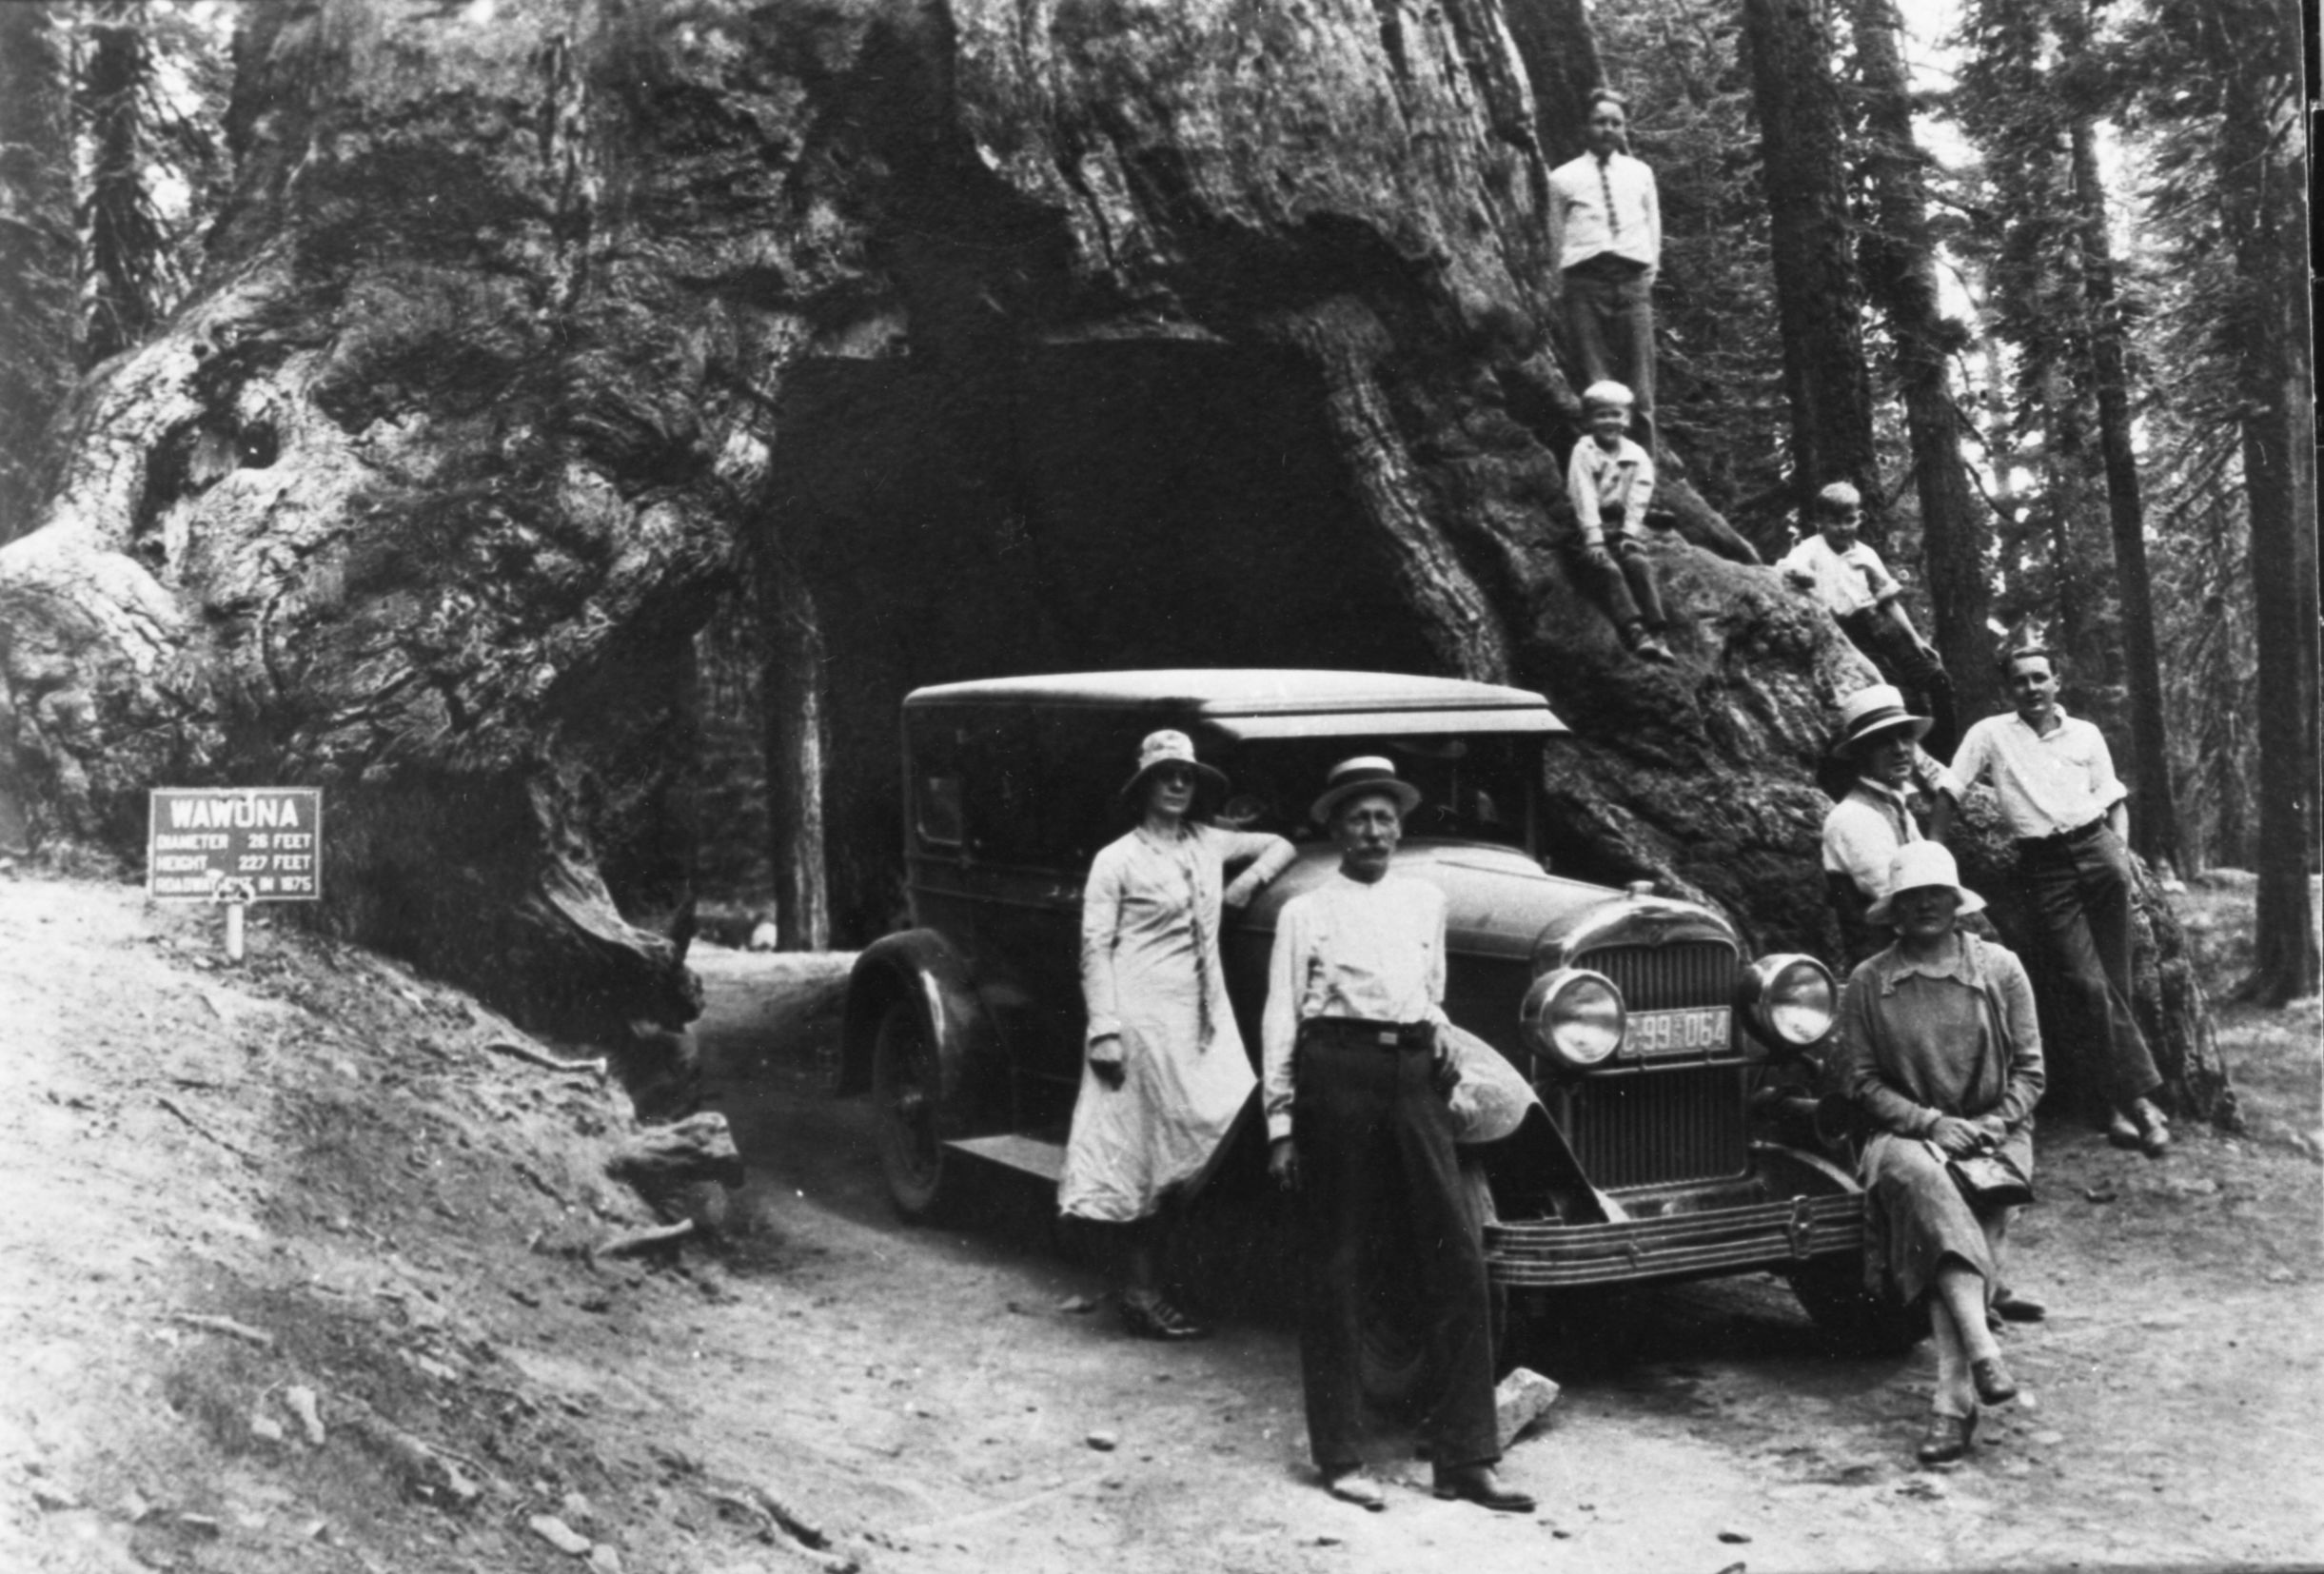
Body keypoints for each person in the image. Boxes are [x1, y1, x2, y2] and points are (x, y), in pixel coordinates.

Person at [1260, 757, 1534, 1515]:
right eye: (1358, 819)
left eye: (1384, 817)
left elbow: (1430, 992)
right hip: (1336, 1076)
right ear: (1335, 830)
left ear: (1400, 825)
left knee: (1456, 1257)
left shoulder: (1424, 900)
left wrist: (1440, 1031)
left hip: (1413, 1077)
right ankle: (1341, 1456)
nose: (1373, 831)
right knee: (1338, 1264)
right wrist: (1281, 1125)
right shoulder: (1305, 912)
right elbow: (1283, 1019)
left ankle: (1466, 1459)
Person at [1061, 729, 1295, 1339]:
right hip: (1142, 1018)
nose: (1176, 785)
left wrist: (1245, 884)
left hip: (1204, 1023)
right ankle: (1140, 1291)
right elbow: (1094, 950)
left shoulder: (1210, 843)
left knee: (1215, 1138)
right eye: (1165, 775)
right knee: (1143, 1154)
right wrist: (1105, 1031)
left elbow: (1279, 845)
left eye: (1186, 776)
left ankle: (1188, 1274)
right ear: (1143, 787)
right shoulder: (1117, 860)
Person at [1834, 842, 2044, 1466]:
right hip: (1904, 1136)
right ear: (1894, 911)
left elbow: (2031, 1073)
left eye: (1936, 894)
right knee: (1927, 1183)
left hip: (1996, 1138)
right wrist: (1930, 1123)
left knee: (1948, 1226)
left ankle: (1951, 1404)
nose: (1926, 905)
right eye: (1911, 897)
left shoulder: (2001, 969)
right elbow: (1862, 1082)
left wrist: (1989, 1124)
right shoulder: (1869, 983)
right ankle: (1983, 1354)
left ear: (1956, 904)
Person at [1951, 647, 2170, 1157]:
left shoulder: (2086, 734)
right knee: (2087, 983)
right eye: (2020, 681)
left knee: (2115, 982)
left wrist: (2118, 855)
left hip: (2098, 854)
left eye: (2039, 678)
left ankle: (2112, 1103)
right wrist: (1930, 849)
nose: (2031, 688)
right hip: (2044, 865)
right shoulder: (1991, 734)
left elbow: (2112, 797)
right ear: (2010, 690)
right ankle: (2138, 1100)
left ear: (2057, 682)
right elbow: (1950, 787)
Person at [1781, 482, 1957, 752]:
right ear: (1820, 521)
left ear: (1860, 517)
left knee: (1937, 678)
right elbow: (1788, 567)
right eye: (1834, 521)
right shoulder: (1811, 549)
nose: (1843, 528)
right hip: (1846, 630)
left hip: (1881, 626)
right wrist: (1801, 575)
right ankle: (1917, 757)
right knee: (1894, 693)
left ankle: (1947, 753)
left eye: (1849, 520)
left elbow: (1889, 601)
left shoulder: (1865, 554)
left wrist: (1915, 639)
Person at [1548, 88, 1661, 443]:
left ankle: (1644, 482)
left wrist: (1651, 265)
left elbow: (1652, 222)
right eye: (1600, 122)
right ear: (1585, 127)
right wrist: (1558, 279)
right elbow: (1555, 233)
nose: (1608, 129)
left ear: (1625, 128)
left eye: (1616, 122)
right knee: (1595, 387)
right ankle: (1597, 477)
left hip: (1632, 281)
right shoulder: (1563, 178)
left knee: (1640, 389)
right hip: (1585, 283)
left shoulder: (1639, 173)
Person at [1822, 684, 1959, 971]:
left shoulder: (1896, 808)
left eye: (1905, 738)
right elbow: (1898, 900)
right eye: (1884, 742)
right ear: (1861, 753)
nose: (1899, 750)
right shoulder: (1853, 816)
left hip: (1916, 951)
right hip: (1884, 968)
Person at [1567, 380, 1674, 663]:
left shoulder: (1636, 455)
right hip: (1590, 525)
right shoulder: (1584, 451)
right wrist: (1593, 536)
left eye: (1616, 414)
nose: (1609, 421)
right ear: (1590, 420)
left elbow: (1639, 497)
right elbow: (1584, 494)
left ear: (1626, 418)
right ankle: (1635, 629)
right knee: (1606, 568)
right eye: (1601, 415)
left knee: (1637, 562)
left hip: (1621, 525)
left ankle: (1658, 631)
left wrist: (1630, 533)